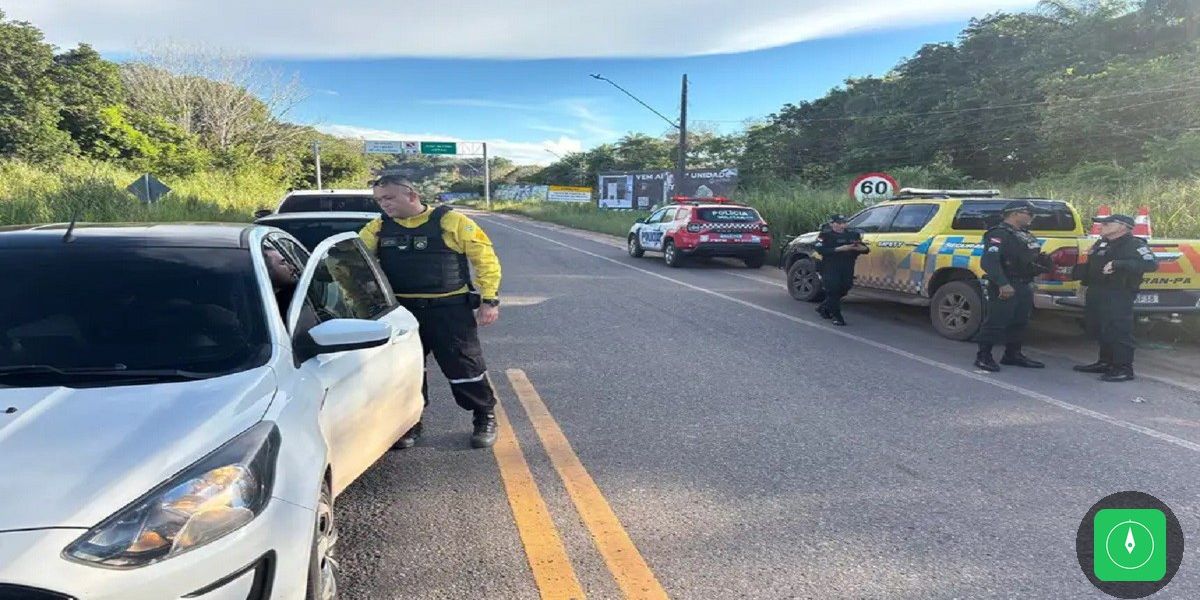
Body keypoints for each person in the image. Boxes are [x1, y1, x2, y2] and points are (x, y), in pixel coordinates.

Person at [359, 175, 503, 449]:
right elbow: (353, 263)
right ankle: (410, 422)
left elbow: (484, 258)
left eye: (388, 198)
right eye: (379, 200)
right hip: (402, 313)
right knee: (406, 371)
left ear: (411, 195)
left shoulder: (452, 222)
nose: (383, 205)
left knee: (465, 367)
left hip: (449, 310)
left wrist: (490, 299)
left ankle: (484, 415)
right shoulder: (378, 228)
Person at [1071, 214, 1158, 382]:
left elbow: (1151, 264)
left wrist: (1119, 264)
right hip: (1098, 291)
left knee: (1118, 330)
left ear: (1122, 227)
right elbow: (1092, 265)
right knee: (1101, 327)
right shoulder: (1102, 243)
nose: (1102, 226)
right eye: (1101, 223)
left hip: (1118, 292)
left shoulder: (1134, 244)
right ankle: (1105, 362)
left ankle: (1123, 368)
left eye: (1107, 223)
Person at [974, 200, 1053, 372]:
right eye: (1029, 213)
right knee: (996, 321)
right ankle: (983, 356)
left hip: (1024, 283)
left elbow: (1025, 258)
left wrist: (1040, 264)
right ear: (1015, 213)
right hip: (1005, 284)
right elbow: (990, 261)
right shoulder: (999, 233)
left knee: (1020, 321)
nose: (1032, 217)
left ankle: (1012, 354)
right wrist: (1003, 284)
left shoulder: (1024, 234)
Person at [814, 215, 869, 326]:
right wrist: (840, 249)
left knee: (844, 288)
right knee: (833, 291)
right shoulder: (825, 235)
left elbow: (866, 249)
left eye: (843, 223)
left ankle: (823, 307)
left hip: (847, 266)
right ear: (831, 224)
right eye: (838, 223)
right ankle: (837, 317)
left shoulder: (853, 235)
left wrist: (857, 248)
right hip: (830, 267)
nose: (841, 225)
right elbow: (819, 248)